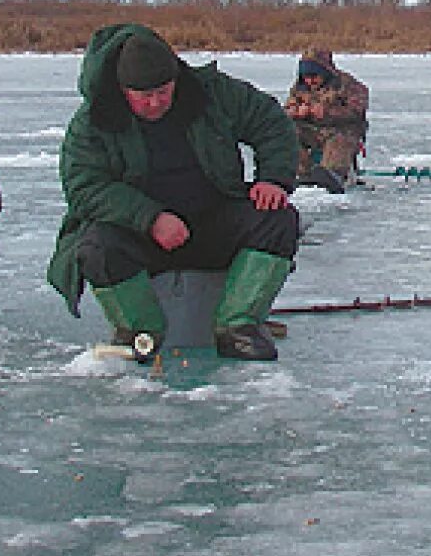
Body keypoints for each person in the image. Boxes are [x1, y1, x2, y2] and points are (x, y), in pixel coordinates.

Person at [46, 25, 301, 362]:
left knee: (278, 219)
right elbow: (85, 187)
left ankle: (237, 325)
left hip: (212, 223)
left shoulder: (213, 93)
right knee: (95, 246)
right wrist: (150, 218)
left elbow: (271, 123)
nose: (156, 104)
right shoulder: (91, 121)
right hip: (140, 238)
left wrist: (273, 179)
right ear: (123, 90)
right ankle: (141, 331)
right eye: (143, 97)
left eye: (164, 92)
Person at [284, 48, 369, 194]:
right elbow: (287, 108)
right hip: (310, 131)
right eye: (306, 77)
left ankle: (332, 174)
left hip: (340, 131)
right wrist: (296, 112)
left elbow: (356, 112)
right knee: (287, 133)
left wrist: (327, 112)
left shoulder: (348, 85)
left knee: (340, 140)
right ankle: (300, 172)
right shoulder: (299, 88)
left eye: (314, 76)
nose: (310, 81)